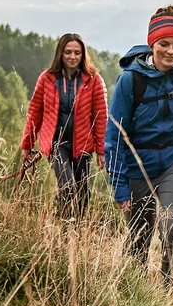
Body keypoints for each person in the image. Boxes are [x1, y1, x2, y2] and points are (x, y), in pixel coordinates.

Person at [104, 6, 173, 289]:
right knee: (139, 235)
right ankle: (133, 293)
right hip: (138, 166)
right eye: (164, 44)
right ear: (152, 44)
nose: (171, 51)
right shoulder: (131, 80)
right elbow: (114, 136)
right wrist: (119, 185)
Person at [19, 33, 108, 222]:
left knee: (83, 194)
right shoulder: (47, 79)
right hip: (56, 143)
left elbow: (101, 118)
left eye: (77, 52)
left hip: (83, 144)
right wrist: (27, 144)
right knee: (68, 187)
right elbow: (35, 112)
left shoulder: (93, 80)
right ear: (60, 53)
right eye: (68, 52)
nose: (72, 57)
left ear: (83, 54)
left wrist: (102, 151)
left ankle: (75, 230)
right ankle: (66, 234)